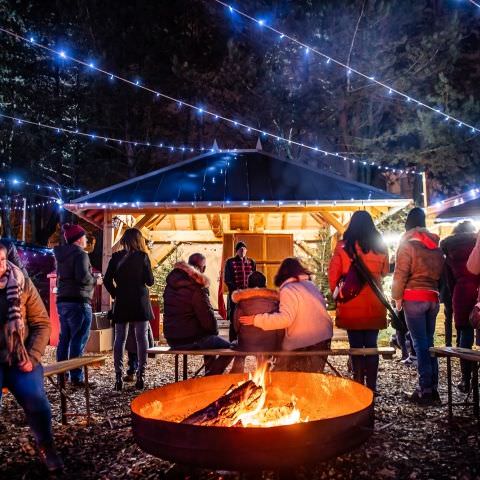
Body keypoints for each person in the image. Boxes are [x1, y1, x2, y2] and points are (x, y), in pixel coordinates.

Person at [0, 244, 63, 472]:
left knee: (36, 401)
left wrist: (34, 356)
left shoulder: (21, 282)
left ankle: (46, 445)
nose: (0, 265)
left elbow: (41, 323)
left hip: (20, 356)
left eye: (2, 259)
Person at [328, 210, 389, 392]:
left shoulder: (342, 247)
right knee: (371, 346)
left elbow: (333, 275)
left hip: (351, 304)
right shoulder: (380, 246)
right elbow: (385, 271)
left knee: (355, 346)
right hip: (375, 303)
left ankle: (358, 385)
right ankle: (372, 385)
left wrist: (338, 294)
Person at [239, 257, 333, 372]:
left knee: (285, 377)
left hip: (304, 341)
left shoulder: (289, 290)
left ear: (282, 273)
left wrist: (256, 319)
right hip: (324, 338)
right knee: (311, 377)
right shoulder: (310, 285)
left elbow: (285, 319)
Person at [392, 207, 445, 405]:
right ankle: (434, 387)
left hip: (414, 298)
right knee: (429, 343)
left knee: (420, 343)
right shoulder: (435, 246)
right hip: (432, 297)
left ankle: (424, 390)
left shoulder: (407, 245)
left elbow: (400, 274)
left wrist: (396, 297)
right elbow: (440, 275)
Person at [163, 253, 231, 375]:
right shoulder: (197, 287)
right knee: (229, 347)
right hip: (190, 339)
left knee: (209, 337)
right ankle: (210, 377)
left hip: (172, 338)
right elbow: (208, 320)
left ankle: (209, 374)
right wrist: (214, 332)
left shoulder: (170, 285)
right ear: (203, 268)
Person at [103, 228, 154, 391]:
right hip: (139, 300)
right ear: (139, 241)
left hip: (123, 300)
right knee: (141, 339)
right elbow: (150, 281)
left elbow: (106, 280)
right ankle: (141, 375)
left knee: (120, 339)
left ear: (124, 240)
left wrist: (117, 293)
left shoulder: (116, 257)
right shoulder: (142, 257)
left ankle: (118, 377)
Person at [54, 223, 98, 388]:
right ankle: (76, 378)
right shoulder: (81, 255)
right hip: (79, 302)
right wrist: (95, 280)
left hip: (63, 301)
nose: (86, 239)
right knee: (78, 339)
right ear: (79, 239)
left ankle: (61, 375)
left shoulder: (61, 255)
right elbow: (83, 278)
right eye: (85, 237)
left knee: (64, 339)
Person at [441, 221, 480, 392]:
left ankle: (466, 379)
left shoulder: (450, 248)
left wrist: (450, 302)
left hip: (461, 292)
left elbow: (449, 281)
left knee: (464, 335)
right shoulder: (475, 242)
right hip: (478, 289)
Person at [230, 271, 282, 373]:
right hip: (268, 344)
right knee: (265, 353)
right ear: (265, 284)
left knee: (239, 349)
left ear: (248, 284)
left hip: (246, 344)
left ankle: (237, 372)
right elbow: (279, 325)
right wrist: (278, 344)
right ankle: (263, 374)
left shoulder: (241, 301)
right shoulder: (275, 301)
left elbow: (236, 326)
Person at [224, 241, 256, 341]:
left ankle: (246, 339)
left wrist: (250, 291)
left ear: (246, 250)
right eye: (240, 249)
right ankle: (232, 340)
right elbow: (227, 279)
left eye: (244, 249)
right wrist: (236, 291)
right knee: (234, 316)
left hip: (248, 296)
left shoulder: (251, 262)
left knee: (247, 316)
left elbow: (254, 278)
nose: (242, 251)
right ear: (236, 251)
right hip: (235, 295)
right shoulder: (230, 262)